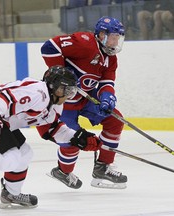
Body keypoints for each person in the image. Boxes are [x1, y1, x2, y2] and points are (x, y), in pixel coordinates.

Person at [0, 66, 101, 209]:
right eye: (66, 90)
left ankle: (10, 193)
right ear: (54, 87)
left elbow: (51, 129)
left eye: (71, 91)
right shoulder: (38, 93)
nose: (68, 95)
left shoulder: (54, 105)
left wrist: (78, 138)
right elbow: (2, 98)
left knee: (25, 153)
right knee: (10, 158)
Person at [40, 16, 128, 189]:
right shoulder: (84, 42)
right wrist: (61, 75)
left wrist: (107, 97)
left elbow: (106, 82)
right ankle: (63, 172)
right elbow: (49, 47)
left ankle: (103, 167)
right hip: (62, 102)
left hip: (85, 98)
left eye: (118, 37)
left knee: (115, 121)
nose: (116, 41)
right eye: (113, 36)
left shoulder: (111, 58)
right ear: (101, 35)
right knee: (73, 140)